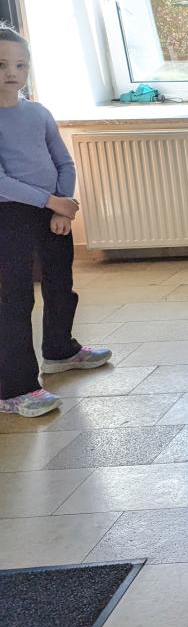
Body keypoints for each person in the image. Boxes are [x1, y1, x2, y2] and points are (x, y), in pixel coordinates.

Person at [0, 28, 112, 418]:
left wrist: (61, 209)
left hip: (52, 212)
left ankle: (60, 350)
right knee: (14, 298)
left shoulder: (38, 112)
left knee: (59, 284)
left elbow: (63, 161)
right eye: (1, 64)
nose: (11, 72)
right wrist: (53, 202)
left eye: (20, 64)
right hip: (11, 215)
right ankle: (15, 387)